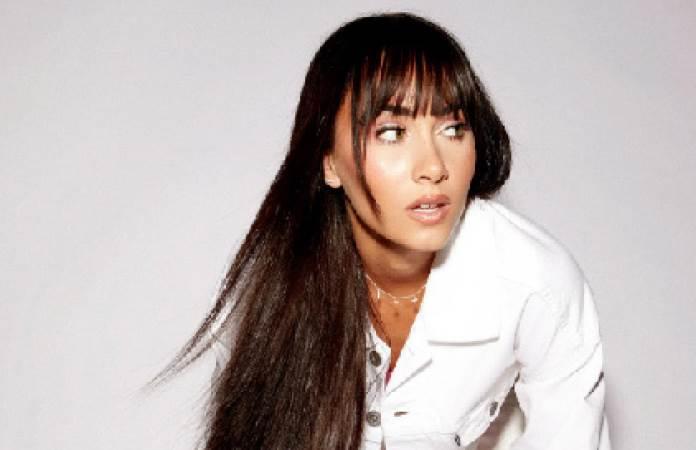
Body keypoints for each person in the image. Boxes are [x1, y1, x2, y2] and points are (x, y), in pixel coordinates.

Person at [155, 12, 610, 450]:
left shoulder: (535, 284)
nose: (434, 167)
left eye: (453, 129)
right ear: (329, 161)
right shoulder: (277, 284)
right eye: (392, 133)